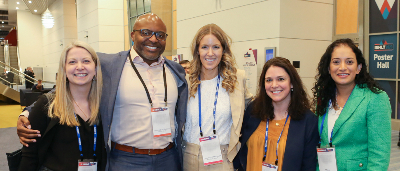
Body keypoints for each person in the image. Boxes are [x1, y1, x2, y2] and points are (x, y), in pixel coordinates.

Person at [17, 13, 188, 171]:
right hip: (126, 160)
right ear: (132, 35)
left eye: (160, 35)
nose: (153, 39)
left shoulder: (176, 71)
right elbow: (70, 82)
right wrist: (28, 112)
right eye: (145, 32)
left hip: (169, 157)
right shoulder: (110, 65)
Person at [18, 41, 106, 171]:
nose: (80, 67)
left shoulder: (105, 104)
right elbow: (30, 156)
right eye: (72, 62)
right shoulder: (47, 105)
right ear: (64, 69)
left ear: (96, 68)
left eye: (86, 61)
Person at [312, 38, 391, 170]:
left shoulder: (375, 98)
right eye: (336, 62)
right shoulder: (324, 96)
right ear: (328, 68)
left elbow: (379, 156)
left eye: (349, 62)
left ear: (359, 68)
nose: (342, 67)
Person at [183, 23, 253, 170]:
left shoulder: (237, 80)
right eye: (204, 47)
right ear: (197, 51)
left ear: (223, 50)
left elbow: (253, 110)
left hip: (222, 158)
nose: (210, 53)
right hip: (188, 156)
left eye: (215, 47)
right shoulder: (187, 83)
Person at [235, 57, 318, 171]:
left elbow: (309, 166)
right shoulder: (253, 111)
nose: (274, 85)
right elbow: (242, 152)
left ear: (292, 83)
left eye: (280, 79)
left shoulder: (308, 121)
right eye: (268, 80)